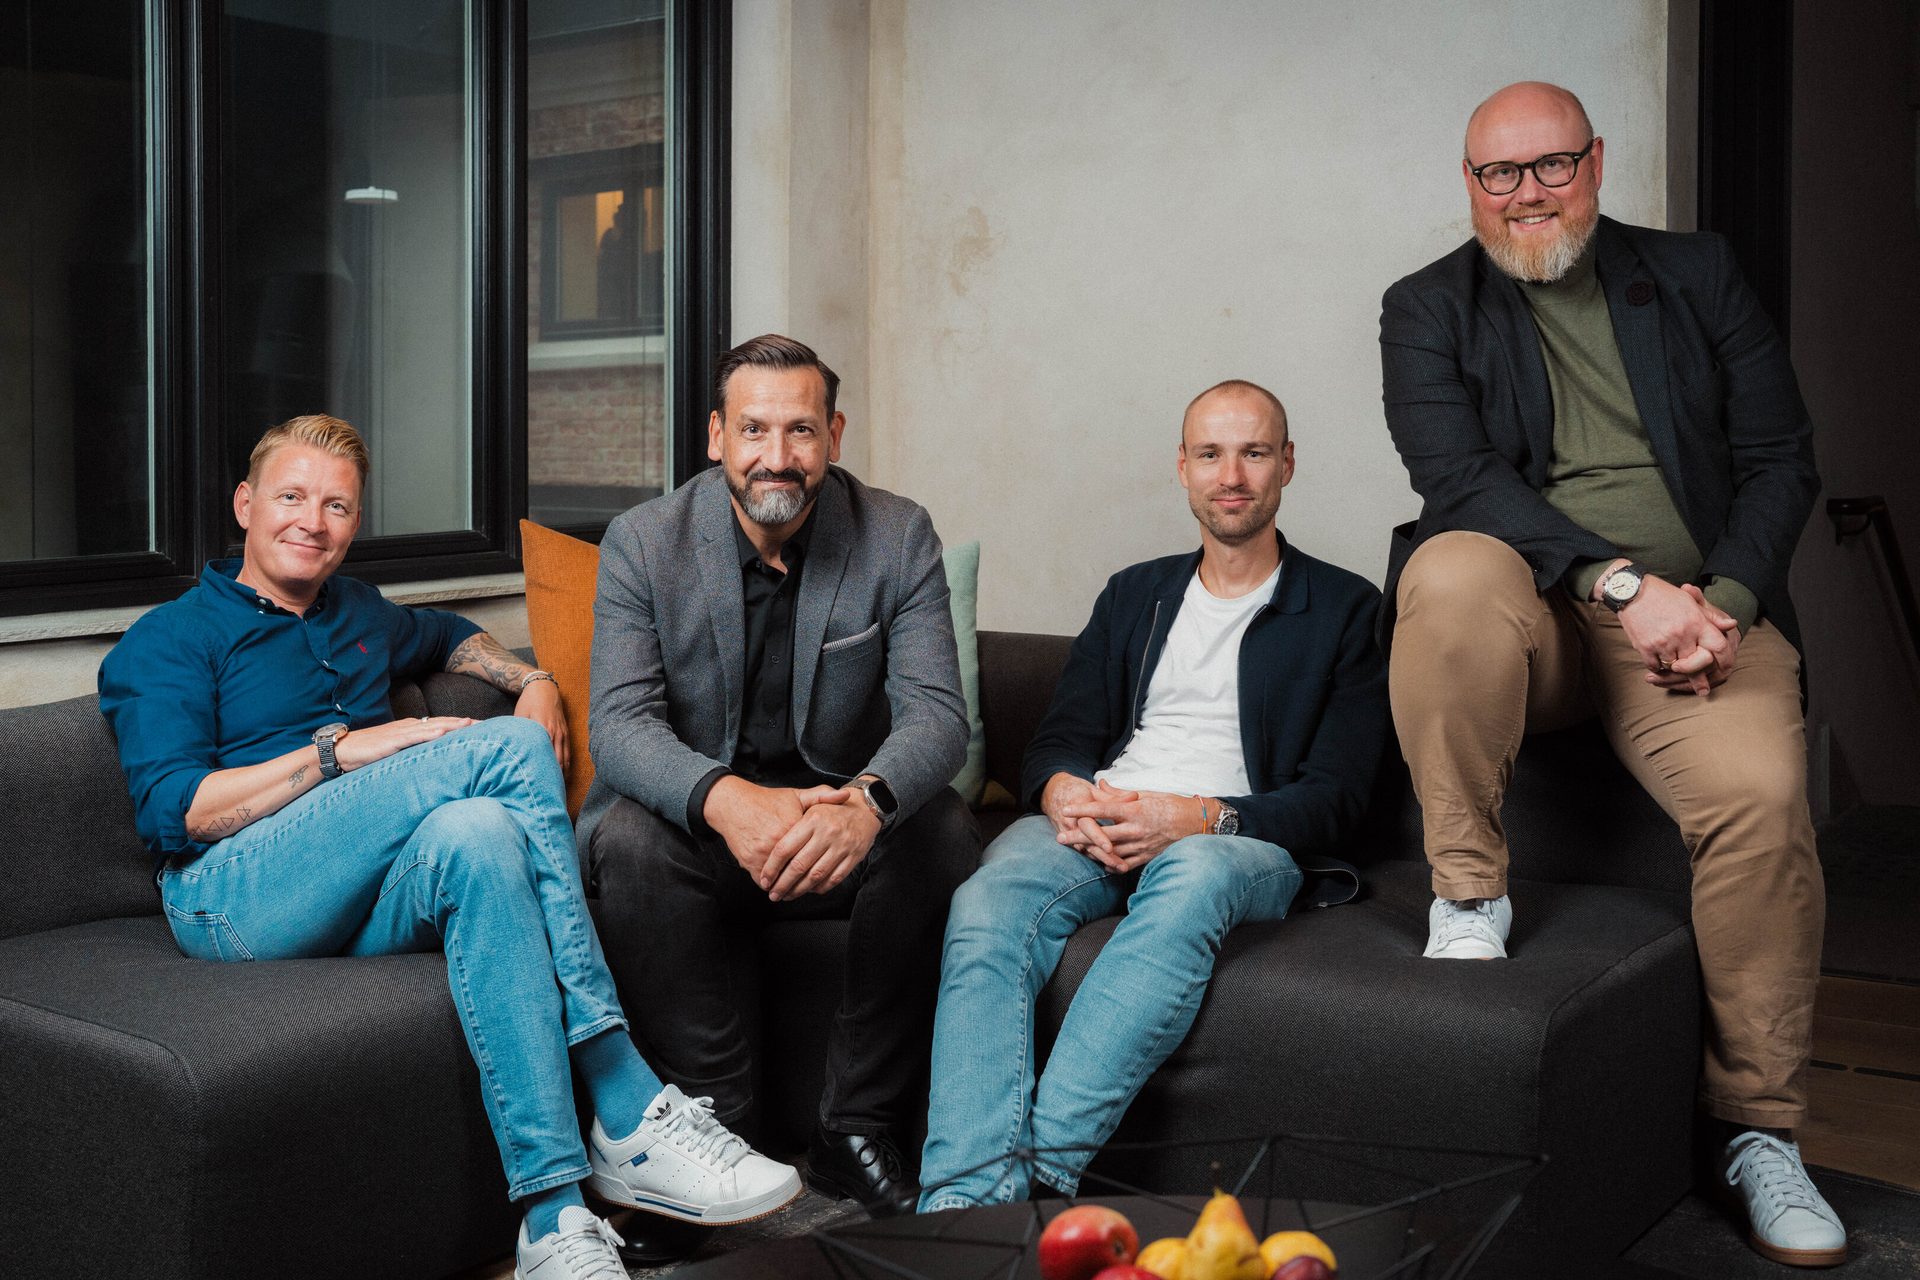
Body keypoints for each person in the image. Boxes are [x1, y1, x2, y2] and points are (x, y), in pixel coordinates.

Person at [99, 415, 800, 1280]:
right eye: (290, 497)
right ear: (245, 504)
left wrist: (533, 678)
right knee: (503, 748)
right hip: (231, 896)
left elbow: (447, 636)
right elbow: (179, 813)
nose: (311, 522)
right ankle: (622, 1091)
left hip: (354, 886)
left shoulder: (356, 612)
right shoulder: (170, 638)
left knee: (481, 835)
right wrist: (336, 752)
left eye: (337, 507)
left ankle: (552, 1219)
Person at [1378, 82, 1841, 1266]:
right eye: (1500, 174)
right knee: (1448, 567)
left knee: (1763, 799)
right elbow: (1460, 476)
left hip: (1705, 624)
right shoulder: (1427, 306)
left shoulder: (1696, 274)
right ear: (1469, 184)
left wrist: (1719, 604)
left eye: (1552, 166)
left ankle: (1757, 1129)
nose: (1527, 193)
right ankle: (1471, 895)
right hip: (1543, 612)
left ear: (1597, 160)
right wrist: (1625, 589)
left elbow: (1782, 459)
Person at [917, 380, 1389, 1210]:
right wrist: (1065, 793)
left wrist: (1193, 818)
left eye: (1252, 452)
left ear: (1287, 465)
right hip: (1106, 814)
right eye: (1210, 454)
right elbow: (1061, 740)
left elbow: (1339, 797)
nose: (1231, 474)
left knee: (1194, 877)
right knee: (988, 899)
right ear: (1183, 467)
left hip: (1235, 841)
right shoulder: (1137, 592)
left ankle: (1035, 1180)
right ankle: (963, 1207)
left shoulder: (1346, 608)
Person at [581, 334, 977, 1216]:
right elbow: (620, 725)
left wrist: (868, 807)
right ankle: (708, 1135)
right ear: (716, 435)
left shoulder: (897, 534)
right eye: (754, 429)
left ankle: (855, 1128)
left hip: (835, 833)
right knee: (629, 838)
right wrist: (726, 801)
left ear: (833, 434)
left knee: (942, 825)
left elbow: (938, 717)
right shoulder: (643, 542)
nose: (778, 456)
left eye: (800, 430)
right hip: (702, 833)